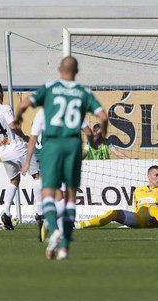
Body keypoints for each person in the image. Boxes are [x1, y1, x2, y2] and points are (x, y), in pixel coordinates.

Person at [14, 56, 108, 260]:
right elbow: (102, 118)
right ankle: (64, 248)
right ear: (77, 71)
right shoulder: (83, 93)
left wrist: (18, 117)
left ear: (59, 69)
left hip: (53, 145)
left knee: (48, 193)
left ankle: (54, 228)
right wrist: (96, 140)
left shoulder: (49, 89)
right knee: (71, 197)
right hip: (73, 145)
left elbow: (23, 105)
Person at [22, 108, 93, 242]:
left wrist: (27, 161)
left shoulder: (40, 115)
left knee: (58, 193)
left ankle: (57, 228)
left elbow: (32, 140)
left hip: (44, 158)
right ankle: (54, 223)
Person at [0, 81, 40, 230]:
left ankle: (6, 211)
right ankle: (40, 211)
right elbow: (13, 126)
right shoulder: (5, 108)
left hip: (3, 152)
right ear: (1, 93)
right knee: (38, 176)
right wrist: (25, 137)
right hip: (17, 148)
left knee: (14, 180)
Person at [76, 165, 158, 229]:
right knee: (113, 213)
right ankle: (81, 224)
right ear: (148, 176)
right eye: (156, 175)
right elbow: (136, 208)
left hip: (154, 221)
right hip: (139, 220)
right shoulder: (138, 190)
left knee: (151, 207)